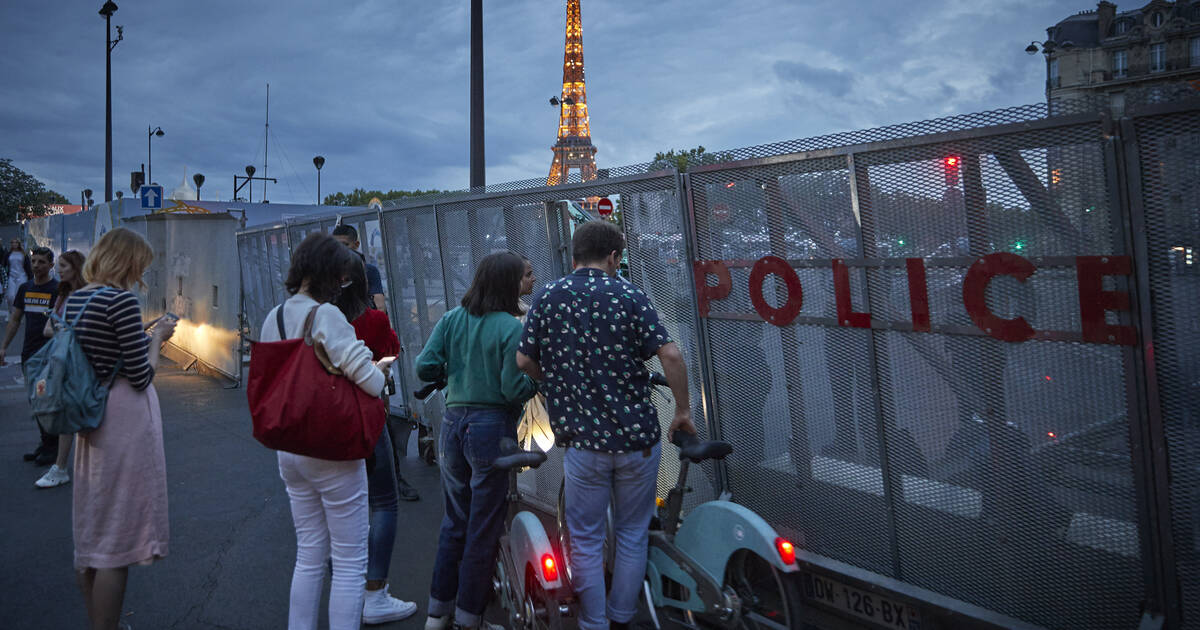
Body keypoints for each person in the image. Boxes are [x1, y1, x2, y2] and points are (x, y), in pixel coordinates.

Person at [516, 221, 696, 630]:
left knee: (585, 539)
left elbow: (524, 362)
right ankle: (621, 618)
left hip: (584, 444)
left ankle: (593, 622)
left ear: (574, 256)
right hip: (637, 441)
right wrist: (682, 411)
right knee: (633, 534)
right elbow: (669, 353)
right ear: (614, 257)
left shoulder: (548, 296)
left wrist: (558, 377)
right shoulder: (630, 294)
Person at [261, 232, 396, 630]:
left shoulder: (277, 315)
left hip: (290, 446)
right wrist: (381, 369)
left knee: (309, 554)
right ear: (329, 275)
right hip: (332, 447)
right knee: (351, 560)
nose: (343, 283)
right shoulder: (326, 316)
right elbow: (369, 382)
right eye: (340, 276)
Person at [415, 251, 537, 630]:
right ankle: (470, 618)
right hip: (490, 429)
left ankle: (437, 614)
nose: (532, 281)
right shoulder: (509, 327)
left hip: (452, 424)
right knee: (484, 525)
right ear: (508, 283)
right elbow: (511, 387)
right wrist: (536, 382)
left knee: (455, 521)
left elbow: (424, 367)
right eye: (526, 275)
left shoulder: (452, 319)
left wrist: (452, 370)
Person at [63, 228, 177, 630]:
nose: (141, 273)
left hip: (89, 413)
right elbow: (142, 374)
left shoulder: (77, 299)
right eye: (140, 264)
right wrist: (158, 338)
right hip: (122, 417)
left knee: (93, 530)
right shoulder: (121, 301)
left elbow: (97, 351)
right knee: (117, 542)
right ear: (127, 262)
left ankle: (100, 621)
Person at [331, 250, 419, 625]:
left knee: (335, 512)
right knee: (383, 501)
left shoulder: (316, 320)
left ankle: (344, 588)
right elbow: (392, 352)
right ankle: (375, 592)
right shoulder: (374, 320)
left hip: (326, 424)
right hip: (369, 419)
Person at [1, 246, 60, 465]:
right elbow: (15, 320)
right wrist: (4, 346)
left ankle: (51, 448)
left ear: (51, 265)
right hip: (29, 355)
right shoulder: (25, 288)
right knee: (35, 401)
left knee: (45, 400)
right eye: (34, 261)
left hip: (49, 356)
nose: (36, 266)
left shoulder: (56, 290)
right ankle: (44, 443)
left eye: (42, 262)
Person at [34, 249, 87, 489]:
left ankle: (62, 465)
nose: (59, 270)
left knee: (77, 410)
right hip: (64, 360)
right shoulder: (63, 294)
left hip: (82, 360)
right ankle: (61, 465)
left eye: (64, 266)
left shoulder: (88, 294)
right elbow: (48, 328)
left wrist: (65, 330)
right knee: (67, 409)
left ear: (76, 268)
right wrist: (65, 330)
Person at [332, 224, 386, 312]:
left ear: (356, 244)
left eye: (345, 244)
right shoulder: (328, 272)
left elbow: (380, 305)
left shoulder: (369, 271)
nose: (340, 249)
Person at [4, 237, 31, 320]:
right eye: (12, 242)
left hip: (22, 276)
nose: (14, 244)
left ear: (19, 244)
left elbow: (28, 267)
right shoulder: (8, 254)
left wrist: (30, 278)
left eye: (16, 242)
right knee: (10, 296)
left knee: (19, 296)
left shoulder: (24, 254)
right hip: (11, 277)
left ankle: (19, 314)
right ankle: (10, 312)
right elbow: (4, 264)